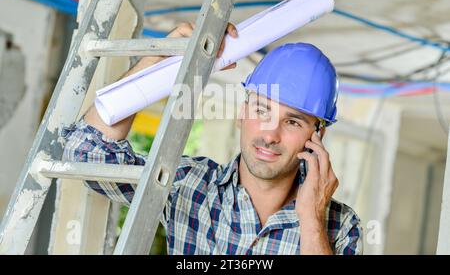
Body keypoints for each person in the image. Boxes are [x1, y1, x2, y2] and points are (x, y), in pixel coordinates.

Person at [62, 22, 363, 255]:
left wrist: (311, 219)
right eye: (262, 110)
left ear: (317, 135)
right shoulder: (189, 185)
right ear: (242, 113)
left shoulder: (339, 225)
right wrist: (158, 59)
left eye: (293, 121)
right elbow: (85, 153)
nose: (270, 134)